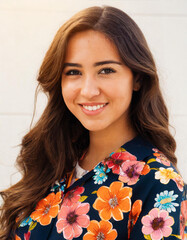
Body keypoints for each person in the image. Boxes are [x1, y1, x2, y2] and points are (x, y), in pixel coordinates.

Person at [0, 5, 186, 240]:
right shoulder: (55, 160)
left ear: (137, 78)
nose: (88, 91)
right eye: (73, 72)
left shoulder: (159, 183)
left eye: (106, 70)